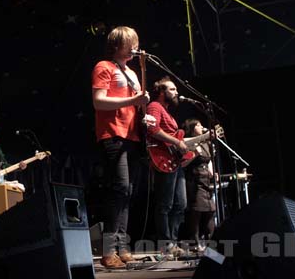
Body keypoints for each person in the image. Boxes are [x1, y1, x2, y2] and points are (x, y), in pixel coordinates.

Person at [91, 26, 152, 269]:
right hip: (113, 134)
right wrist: (133, 100)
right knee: (120, 189)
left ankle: (122, 246)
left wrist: (146, 115)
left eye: (135, 43)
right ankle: (108, 250)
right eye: (130, 43)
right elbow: (98, 102)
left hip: (133, 136)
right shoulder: (103, 66)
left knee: (128, 192)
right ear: (117, 45)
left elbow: (137, 105)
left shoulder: (134, 73)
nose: (134, 48)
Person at [146, 76, 188, 257]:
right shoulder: (154, 106)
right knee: (165, 204)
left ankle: (173, 243)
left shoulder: (168, 112)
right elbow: (152, 129)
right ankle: (166, 245)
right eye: (172, 89)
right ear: (162, 92)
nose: (176, 92)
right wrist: (177, 143)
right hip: (163, 160)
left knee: (180, 204)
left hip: (174, 162)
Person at [182, 119, 215, 252]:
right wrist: (194, 154)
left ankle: (211, 243)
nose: (201, 126)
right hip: (194, 179)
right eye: (198, 125)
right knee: (197, 211)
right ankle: (194, 242)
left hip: (206, 179)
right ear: (191, 128)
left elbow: (209, 160)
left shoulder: (206, 143)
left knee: (211, 210)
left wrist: (213, 172)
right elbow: (183, 163)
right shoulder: (189, 142)